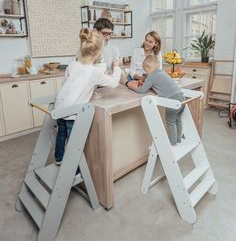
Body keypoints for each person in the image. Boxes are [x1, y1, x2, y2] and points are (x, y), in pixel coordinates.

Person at [54, 28, 122, 165]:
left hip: (59, 107)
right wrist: (117, 67)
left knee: (61, 135)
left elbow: (65, 83)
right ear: (99, 52)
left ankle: (58, 158)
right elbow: (114, 83)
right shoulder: (93, 72)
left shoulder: (73, 64)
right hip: (72, 113)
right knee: (75, 142)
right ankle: (75, 170)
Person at [127, 55, 185, 146]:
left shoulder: (152, 76)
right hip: (181, 97)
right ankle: (178, 139)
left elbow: (142, 90)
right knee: (178, 120)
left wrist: (132, 87)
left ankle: (172, 143)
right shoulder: (162, 72)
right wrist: (146, 81)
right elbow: (158, 85)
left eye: (145, 71)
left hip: (172, 100)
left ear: (148, 68)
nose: (146, 73)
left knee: (170, 121)